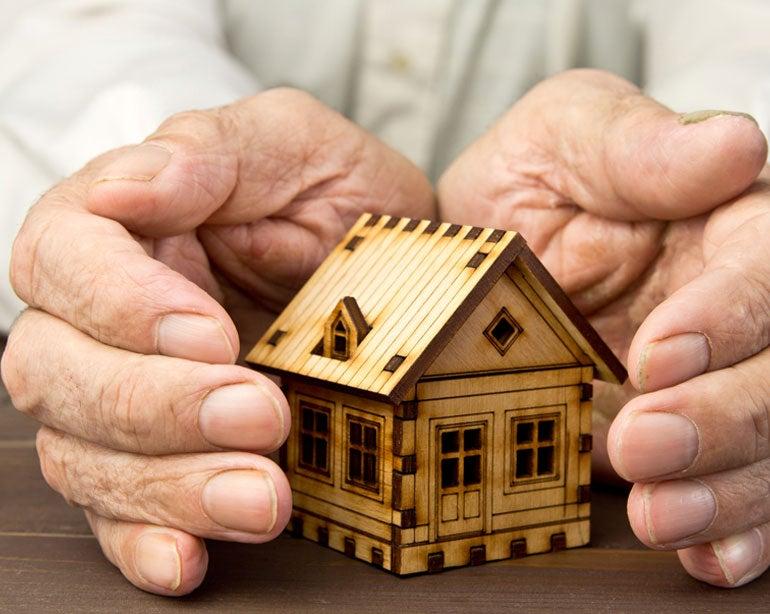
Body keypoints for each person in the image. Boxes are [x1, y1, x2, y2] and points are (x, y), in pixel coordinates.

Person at [1, 0, 769, 596]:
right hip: (258, 281)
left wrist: (726, 220)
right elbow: (76, 33)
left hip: (617, 280)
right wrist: (174, 200)